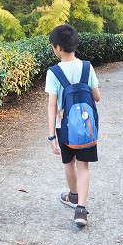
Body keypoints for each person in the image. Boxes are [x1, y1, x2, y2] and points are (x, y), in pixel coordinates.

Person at [45, 24, 101, 226]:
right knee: (83, 167)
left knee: (69, 164)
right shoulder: (87, 67)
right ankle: (81, 210)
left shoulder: (53, 72)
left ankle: (73, 195)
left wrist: (51, 135)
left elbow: (52, 105)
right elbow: (97, 97)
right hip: (87, 127)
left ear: (58, 47)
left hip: (65, 128)